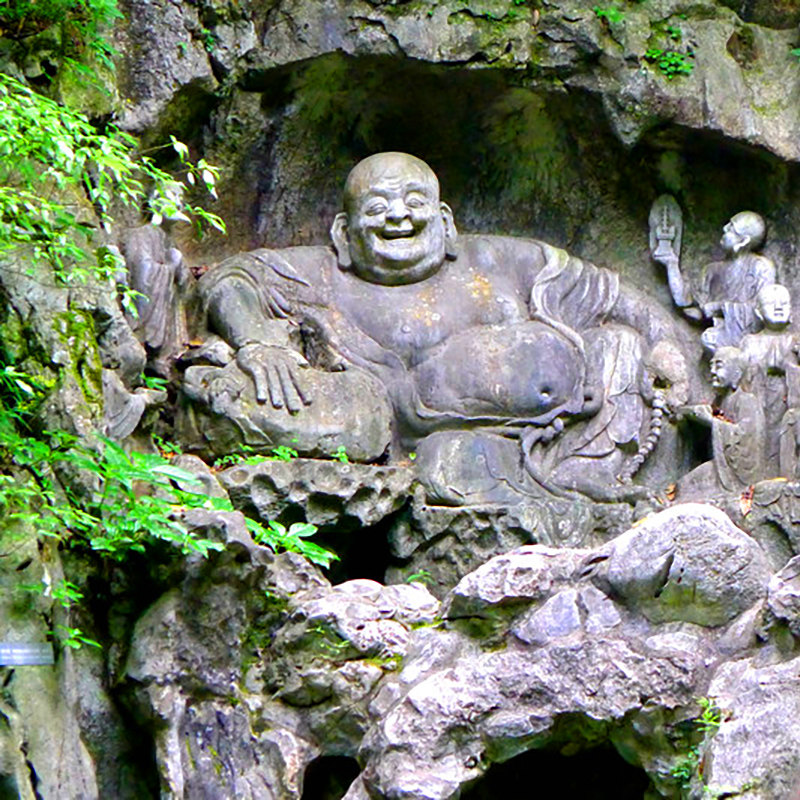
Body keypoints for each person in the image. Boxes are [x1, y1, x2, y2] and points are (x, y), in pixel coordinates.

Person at [190, 152, 684, 503]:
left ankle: (602, 479)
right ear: (344, 232)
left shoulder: (501, 260)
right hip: (433, 447)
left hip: (565, 431)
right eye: (378, 207)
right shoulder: (322, 272)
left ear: (445, 221)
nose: (399, 216)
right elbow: (229, 279)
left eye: (414, 202)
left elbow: (613, 295)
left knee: (621, 346)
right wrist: (257, 341)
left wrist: (667, 346)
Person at [652, 203, 776, 353]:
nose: (724, 228)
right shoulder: (712, 271)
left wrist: (720, 308)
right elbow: (687, 302)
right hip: (720, 340)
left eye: (731, 228)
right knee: (709, 338)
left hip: (752, 343)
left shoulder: (761, 267)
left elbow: (764, 307)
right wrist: (671, 265)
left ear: (743, 241)